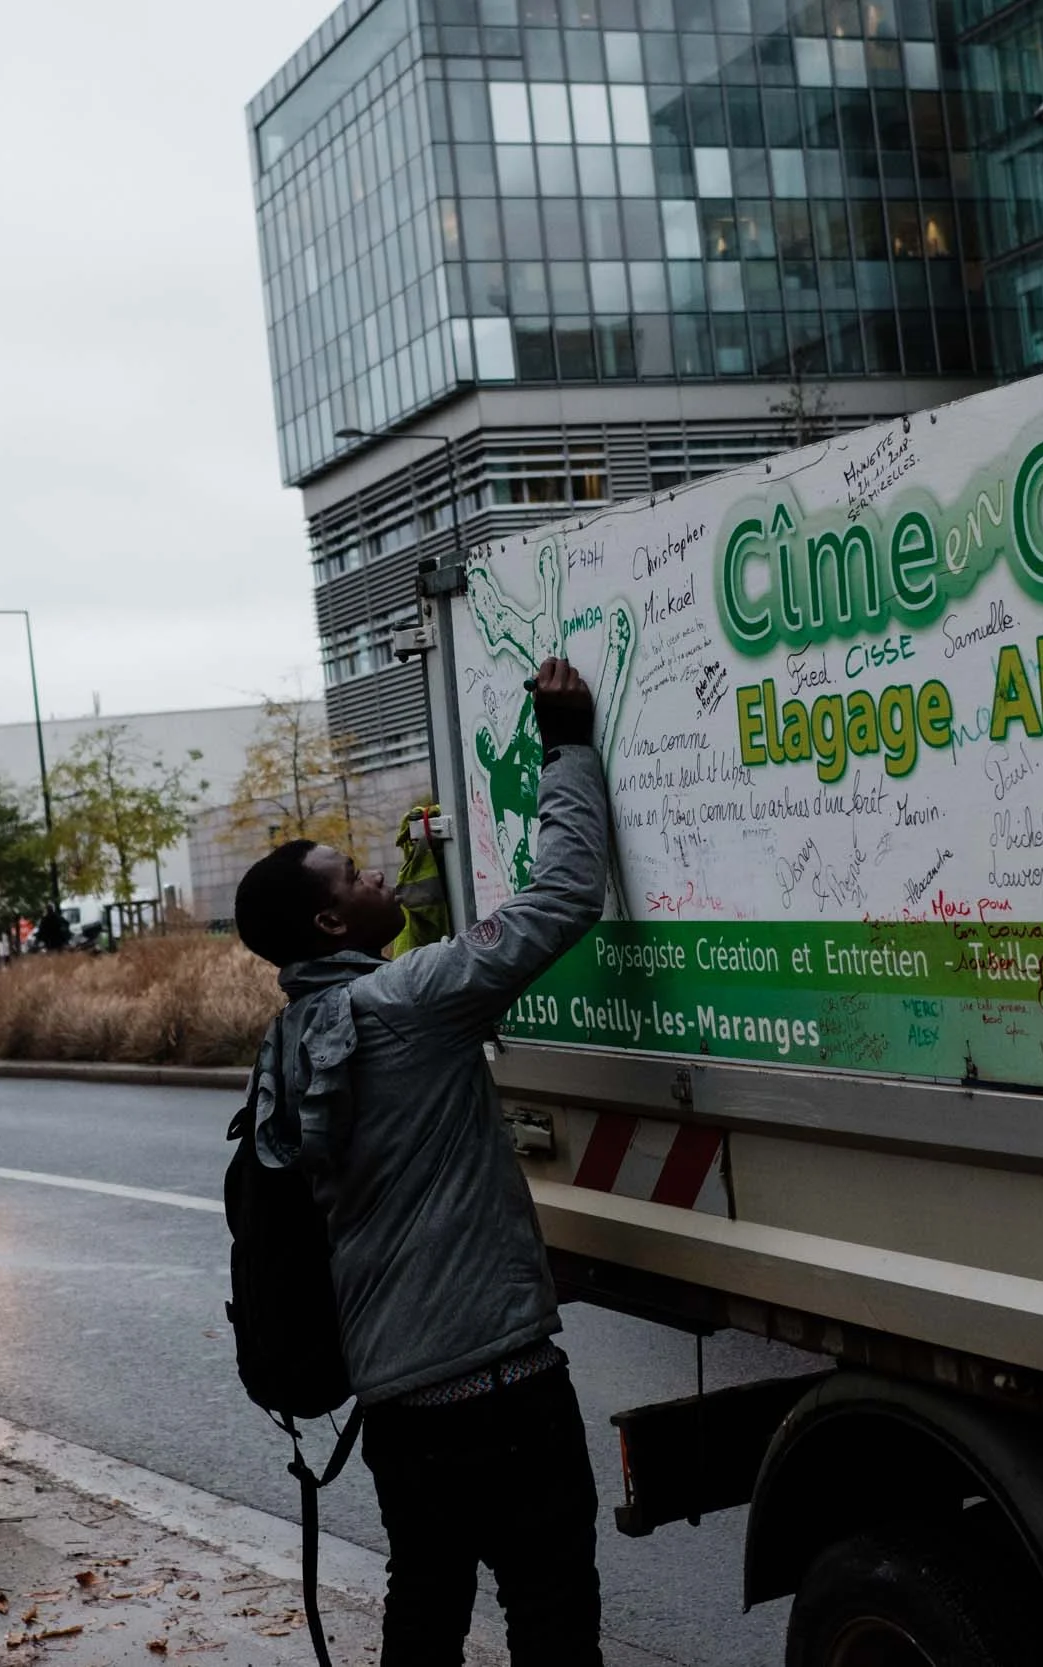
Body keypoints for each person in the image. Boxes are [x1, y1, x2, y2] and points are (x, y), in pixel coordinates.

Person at [231, 656, 609, 1666]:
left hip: (398, 1403)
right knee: (552, 1615)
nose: (374, 876)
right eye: (353, 875)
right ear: (327, 921)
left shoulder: (288, 1046)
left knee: (426, 1610)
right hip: (502, 1385)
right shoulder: (412, 1004)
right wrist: (565, 741)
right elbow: (565, 892)